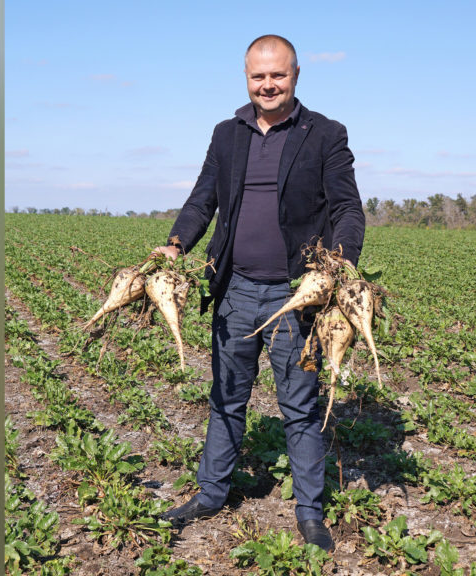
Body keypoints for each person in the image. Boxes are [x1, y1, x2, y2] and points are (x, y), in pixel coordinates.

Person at [153, 34, 364, 553]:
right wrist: (176, 245)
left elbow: (346, 208)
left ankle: (310, 512)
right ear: (246, 78)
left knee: (300, 406)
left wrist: (340, 262)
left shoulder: (325, 134)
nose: (268, 85)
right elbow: (202, 200)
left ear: (296, 75)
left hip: (296, 295)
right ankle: (211, 493)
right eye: (258, 76)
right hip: (235, 291)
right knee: (226, 397)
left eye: (278, 75)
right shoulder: (227, 134)